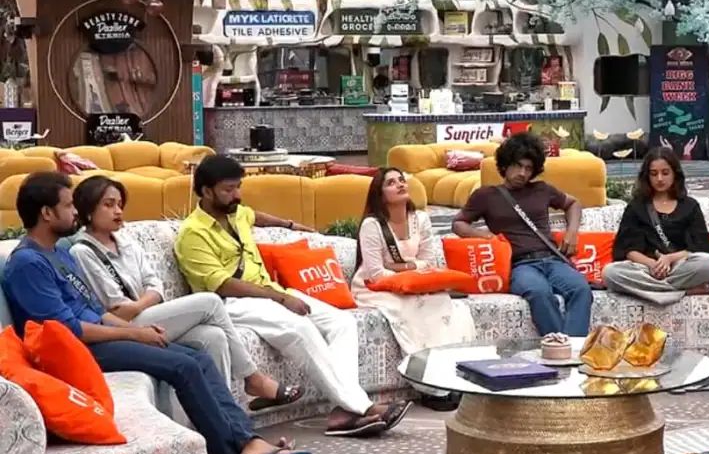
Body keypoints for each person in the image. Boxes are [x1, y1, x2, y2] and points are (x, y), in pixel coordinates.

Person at [2, 172, 312, 454]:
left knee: (198, 356)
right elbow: (69, 330)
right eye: (68, 205)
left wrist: (138, 330)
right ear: (47, 213)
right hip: (76, 351)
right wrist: (134, 333)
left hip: (97, 339)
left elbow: (95, 312)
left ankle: (245, 440)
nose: (75, 212)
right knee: (182, 366)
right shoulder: (28, 263)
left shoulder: (58, 253)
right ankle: (240, 453)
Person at [173, 155, 410, 437]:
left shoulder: (236, 213)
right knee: (300, 329)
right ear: (206, 191)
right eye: (228, 189)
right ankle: (362, 407)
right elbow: (222, 285)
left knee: (342, 322)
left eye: (238, 187)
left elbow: (254, 216)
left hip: (269, 293)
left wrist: (290, 225)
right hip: (231, 303)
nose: (237, 195)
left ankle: (344, 411)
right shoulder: (192, 234)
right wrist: (280, 298)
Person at [69, 175, 303, 411]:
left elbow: (155, 284)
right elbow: (117, 307)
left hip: (149, 314)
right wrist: (144, 303)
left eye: (120, 204)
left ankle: (224, 416)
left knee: (214, 337)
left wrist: (141, 303)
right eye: (109, 205)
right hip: (124, 327)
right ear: (88, 210)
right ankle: (253, 379)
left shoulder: (125, 242)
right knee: (211, 302)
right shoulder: (82, 251)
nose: (118, 211)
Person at [351, 167, 476, 411]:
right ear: (380, 194)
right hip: (375, 287)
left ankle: (453, 379)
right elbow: (376, 273)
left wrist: (406, 268)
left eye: (401, 180)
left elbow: (428, 262)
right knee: (413, 308)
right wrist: (409, 272)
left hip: (415, 283)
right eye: (391, 183)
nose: (400, 184)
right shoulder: (372, 225)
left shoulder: (421, 219)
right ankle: (430, 386)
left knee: (445, 304)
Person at [453, 133, 592, 337]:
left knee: (581, 289)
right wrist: (488, 238)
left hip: (552, 259)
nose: (522, 173)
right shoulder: (486, 195)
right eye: (518, 166)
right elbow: (458, 223)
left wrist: (572, 233)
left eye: (528, 168)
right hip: (519, 265)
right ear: (505, 165)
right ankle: (560, 346)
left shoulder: (542, 189)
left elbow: (573, 203)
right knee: (539, 293)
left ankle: (570, 348)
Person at [603, 147, 709, 305]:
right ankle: (683, 291)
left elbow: (701, 247)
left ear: (674, 174)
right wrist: (653, 264)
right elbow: (627, 249)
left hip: (679, 267)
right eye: (654, 174)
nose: (659, 179)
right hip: (645, 268)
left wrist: (669, 259)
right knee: (610, 273)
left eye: (665, 173)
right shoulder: (636, 207)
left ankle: (654, 291)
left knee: (707, 263)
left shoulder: (690, 206)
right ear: (647, 176)